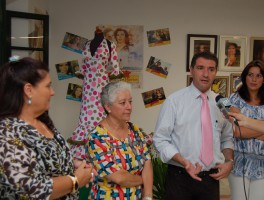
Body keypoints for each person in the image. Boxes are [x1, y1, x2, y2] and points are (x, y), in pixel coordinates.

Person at [0, 57, 94, 199]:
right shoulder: (7, 133)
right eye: (48, 86)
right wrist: (75, 180)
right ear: (29, 90)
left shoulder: (42, 120)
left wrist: (73, 164)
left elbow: (45, 159)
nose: (52, 92)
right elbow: (30, 189)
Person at [153, 52, 234, 200]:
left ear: (216, 72)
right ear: (191, 70)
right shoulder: (174, 101)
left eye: (211, 69)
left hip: (211, 179)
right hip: (179, 177)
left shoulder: (224, 103)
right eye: (200, 68)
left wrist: (229, 161)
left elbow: (228, 138)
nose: (205, 74)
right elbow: (160, 139)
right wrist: (183, 161)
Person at [86, 81, 153, 200]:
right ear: (108, 107)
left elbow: (147, 162)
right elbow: (119, 177)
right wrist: (142, 180)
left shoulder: (135, 131)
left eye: (130, 101)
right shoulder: (97, 137)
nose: (129, 107)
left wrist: (147, 196)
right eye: (123, 103)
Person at [228, 60, 264, 200]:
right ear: (244, 76)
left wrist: (249, 129)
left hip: (263, 163)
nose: (254, 79)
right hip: (239, 161)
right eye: (250, 74)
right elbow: (236, 131)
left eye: (258, 76)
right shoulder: (235, 99)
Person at [69, 27, 121, 160]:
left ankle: (103, 150)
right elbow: (83, 66)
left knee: (101, 112)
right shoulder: (86, 44)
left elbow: (115, 67)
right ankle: (83, 155)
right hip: (87, 85)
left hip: (102, 83)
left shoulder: (110, 45)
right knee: (86, 114)